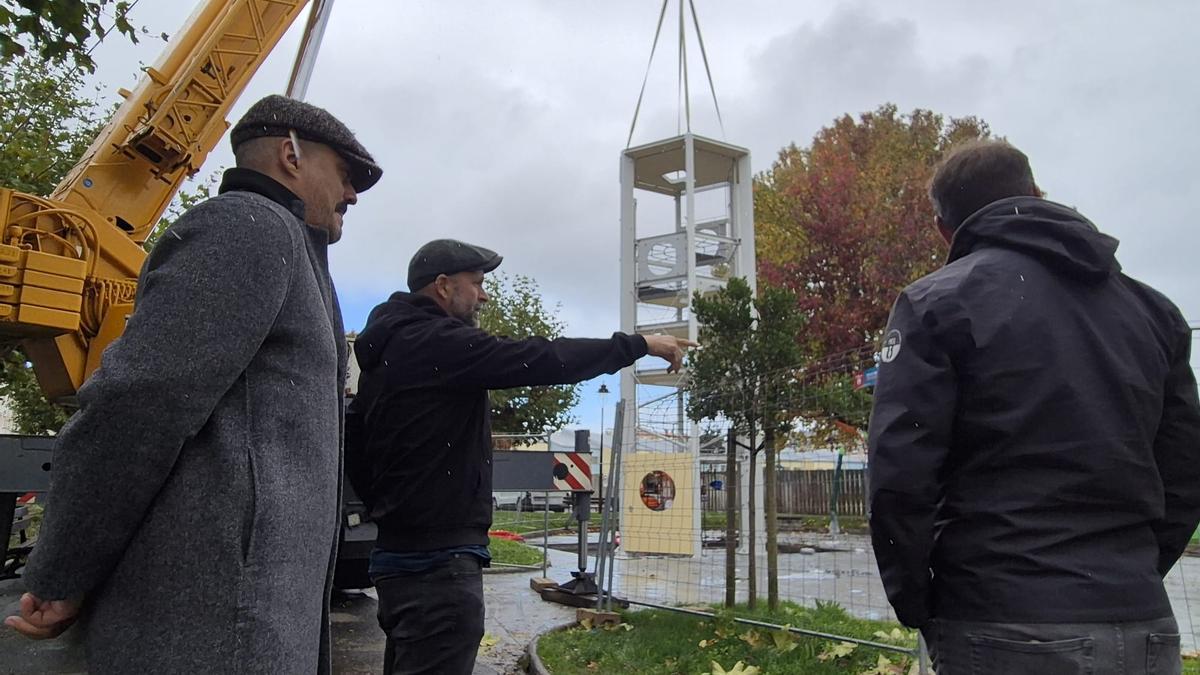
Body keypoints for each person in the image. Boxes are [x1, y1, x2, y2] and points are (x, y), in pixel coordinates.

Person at [4, 94, 382, 674]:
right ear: (290, 155)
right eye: (346, 174)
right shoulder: (244, 227)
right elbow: (136, 405)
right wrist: (63, 572)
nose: (353, 194)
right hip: (212, 631)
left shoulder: (289, 248)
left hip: (239, 623)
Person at [867, 140, 1200, 674]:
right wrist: (1130, 573)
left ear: (942, 230)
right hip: (1142, 627)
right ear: (1038, 193)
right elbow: (1184, 472)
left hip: (1000, 621)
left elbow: (900, 475)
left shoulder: (936, 304)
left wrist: (918, 603)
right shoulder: (1156, 313)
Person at [346, 239, 695, 675]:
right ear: (442, 286)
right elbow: (541, 357)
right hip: (439, 566)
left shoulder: (386, 352)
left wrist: (391, 510)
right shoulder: (438, 343)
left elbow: (355, 443)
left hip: (395, 559)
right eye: (476, 283)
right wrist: (637, 345)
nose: (484, 295)